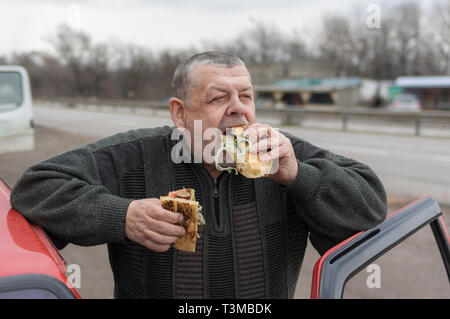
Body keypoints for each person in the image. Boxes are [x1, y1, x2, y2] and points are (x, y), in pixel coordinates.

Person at [10, 51, 387, 298]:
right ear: (179, 113)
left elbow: (370, 206)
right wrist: (122, 216)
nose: (238, 110)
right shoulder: (133, 156)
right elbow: (35, 187)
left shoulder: (282, 155)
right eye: (219, 98)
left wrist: (299, 176)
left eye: (247, 96)